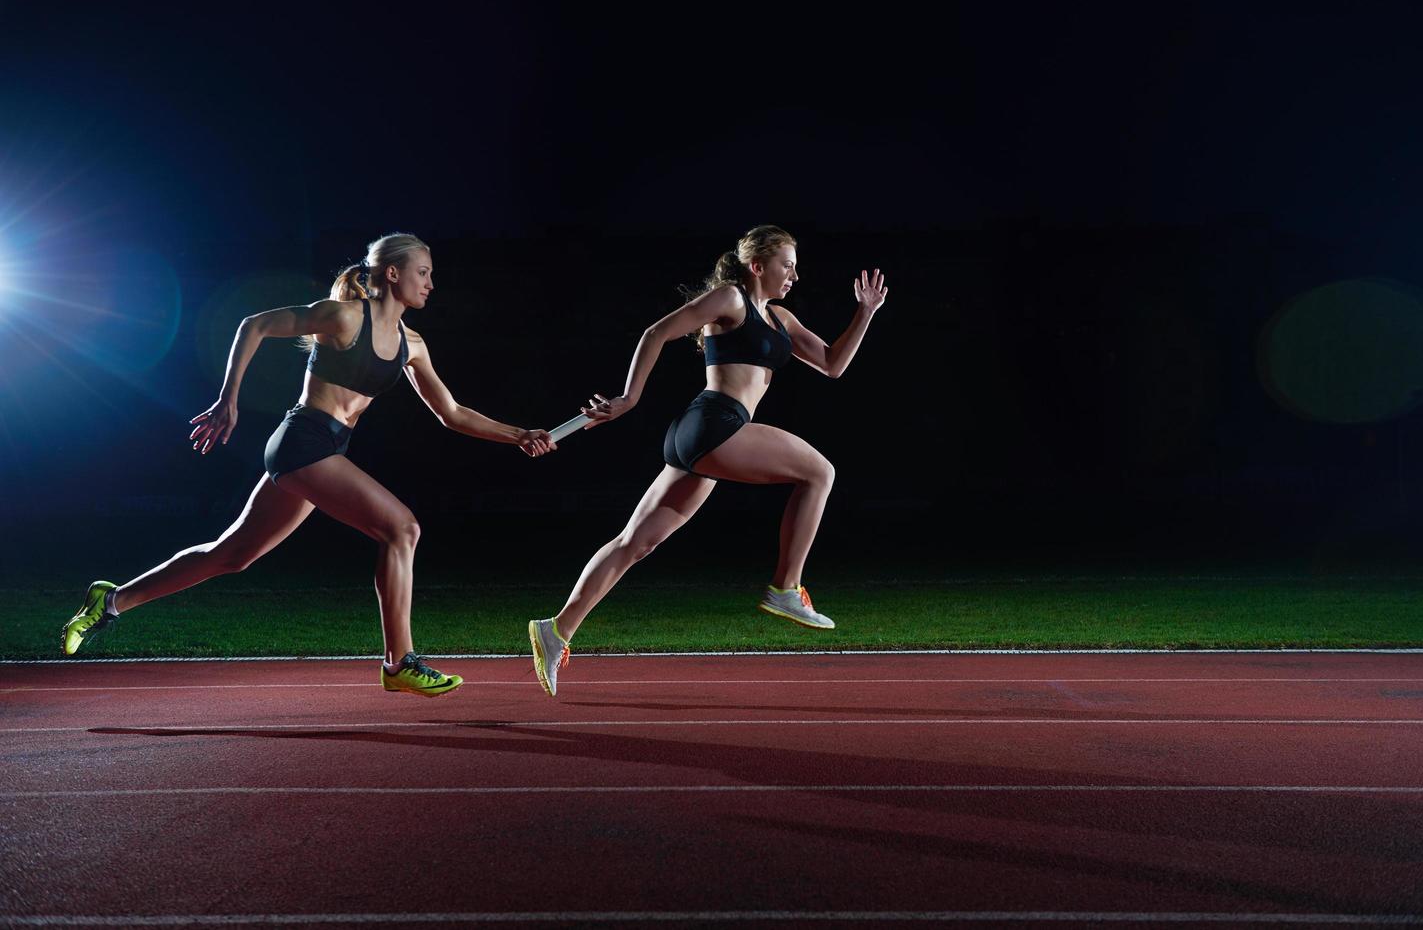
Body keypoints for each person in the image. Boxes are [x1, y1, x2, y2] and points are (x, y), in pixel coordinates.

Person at [63, 232, 555, 696]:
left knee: (233, 554)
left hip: (326, 451)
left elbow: (451, 413)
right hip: (303, 440)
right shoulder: (344, 318)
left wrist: (520, 435)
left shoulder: (413, 345)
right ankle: (399, 663)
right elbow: (253, 324)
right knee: (401, 529)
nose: (430, 282)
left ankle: (110, 601)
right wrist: (228, 400)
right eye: (422, 272)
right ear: (391, 274)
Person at [529, 224, 887, 696]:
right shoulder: (731, 299)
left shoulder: (779, 319)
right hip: (717, 423)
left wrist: (865, 312)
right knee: (820, 472)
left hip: (699, 437)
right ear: (757, 265)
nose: (794, 275)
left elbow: (832, 363)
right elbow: (656, 333)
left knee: (634, 543)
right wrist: (630, 398)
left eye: (796, 267)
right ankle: (785, 587)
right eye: (786, 265)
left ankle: (556, 630)